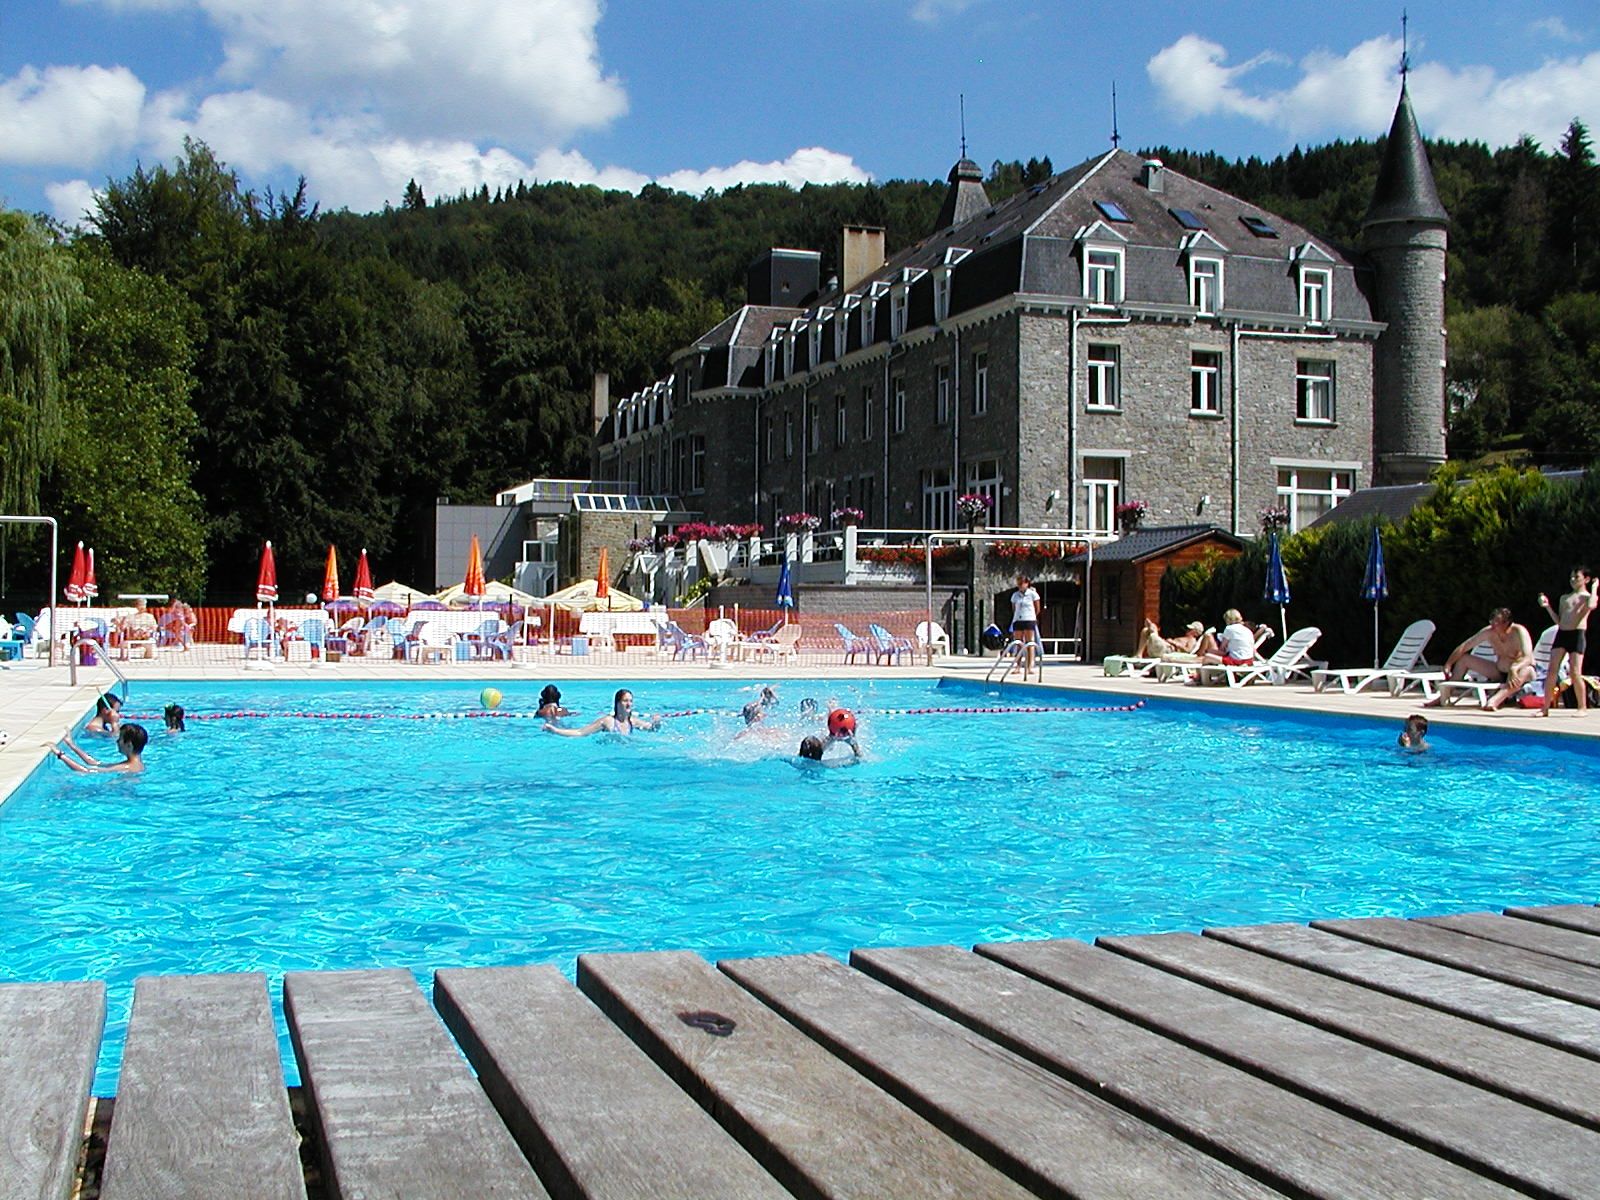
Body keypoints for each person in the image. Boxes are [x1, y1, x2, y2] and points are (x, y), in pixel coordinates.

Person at [1427, 607, 1534, 712]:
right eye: (1492, 621)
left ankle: (1494, 701)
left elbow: (1528, 657)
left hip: (1521, 671)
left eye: (1497, 622)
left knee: (1526, 670)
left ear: (1506, 623)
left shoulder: (1519, 631)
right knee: (1464, 659)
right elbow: (1465, 646)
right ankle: (1444, 696)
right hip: (1500, 671)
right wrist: (1449, 664)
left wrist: (1514, 668)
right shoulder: (1489, 632)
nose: (1493, 624)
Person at [1538, 567, 1598, 716]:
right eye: (1571, 577)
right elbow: (1559, 621)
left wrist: (1595, 587)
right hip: (1562, 634)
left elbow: (1592, 605)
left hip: (1577, 634)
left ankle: (1582, 707)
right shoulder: (1564, 598)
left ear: (1586, 579)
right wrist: (1547, 607)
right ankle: (1545, 708)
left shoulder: (1587, 597)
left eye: (1576, 577)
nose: (1572, 580)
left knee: (1575, 672)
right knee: (1552, 669)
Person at [544, 688, 659, 736]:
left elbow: (652, 729)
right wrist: (555, 730)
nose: (629, 704)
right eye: (625, 701)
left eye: (631, 701)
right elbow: (580, 732)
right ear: (617, 703)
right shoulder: (608, 721)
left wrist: (656, 722)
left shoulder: (632, 722)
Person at [49, 724, 148, 774]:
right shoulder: (134, 764)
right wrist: (71, 745)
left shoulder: (127, 767)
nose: (117, 742)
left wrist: (60, 754)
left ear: (129, 745)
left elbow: (86, 771)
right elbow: (94, 763)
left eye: (120, 739)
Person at [1203, 610, 1272, 666]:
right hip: (1249, 661)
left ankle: (1203, 677)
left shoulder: (1229, 629)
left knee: (1207, 657)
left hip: (1237, 661)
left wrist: (1208, 651)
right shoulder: (1247, 630)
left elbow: (1222, 650)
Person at [1010, 575, 1043, 659]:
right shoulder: (1015, 595)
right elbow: (1014, 608)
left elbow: (1037, 609)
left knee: (1029, 642)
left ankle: (1030, 663)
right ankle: (1018, 662)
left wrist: (1032, 616)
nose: (1020, 586)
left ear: (1027, 583)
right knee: (1018, 643)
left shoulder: (1032, 594)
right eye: (1018, 584)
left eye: (1021, 583)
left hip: (1029, 619)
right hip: (1018, 620)